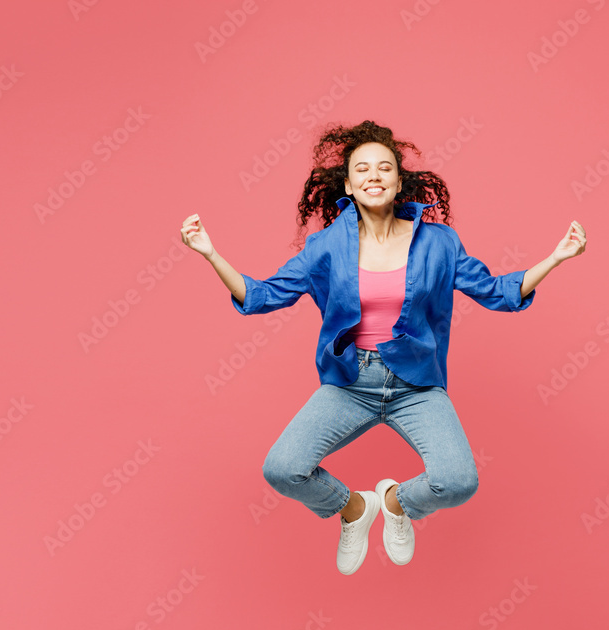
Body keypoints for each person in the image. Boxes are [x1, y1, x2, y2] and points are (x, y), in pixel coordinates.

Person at [183, 120, 587, 575]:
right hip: (351, 382)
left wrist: (555, 258)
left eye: (384, 168)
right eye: (362, 170)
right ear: (349, 185)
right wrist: (209, 253)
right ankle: (353, 508)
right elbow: (261, 296)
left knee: (458, 483)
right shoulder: (325, 248)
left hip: (416, 383)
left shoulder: (439, 243)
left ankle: (395, 502)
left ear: (399, 182)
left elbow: (497, 292)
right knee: (282, 468)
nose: (373, 176)